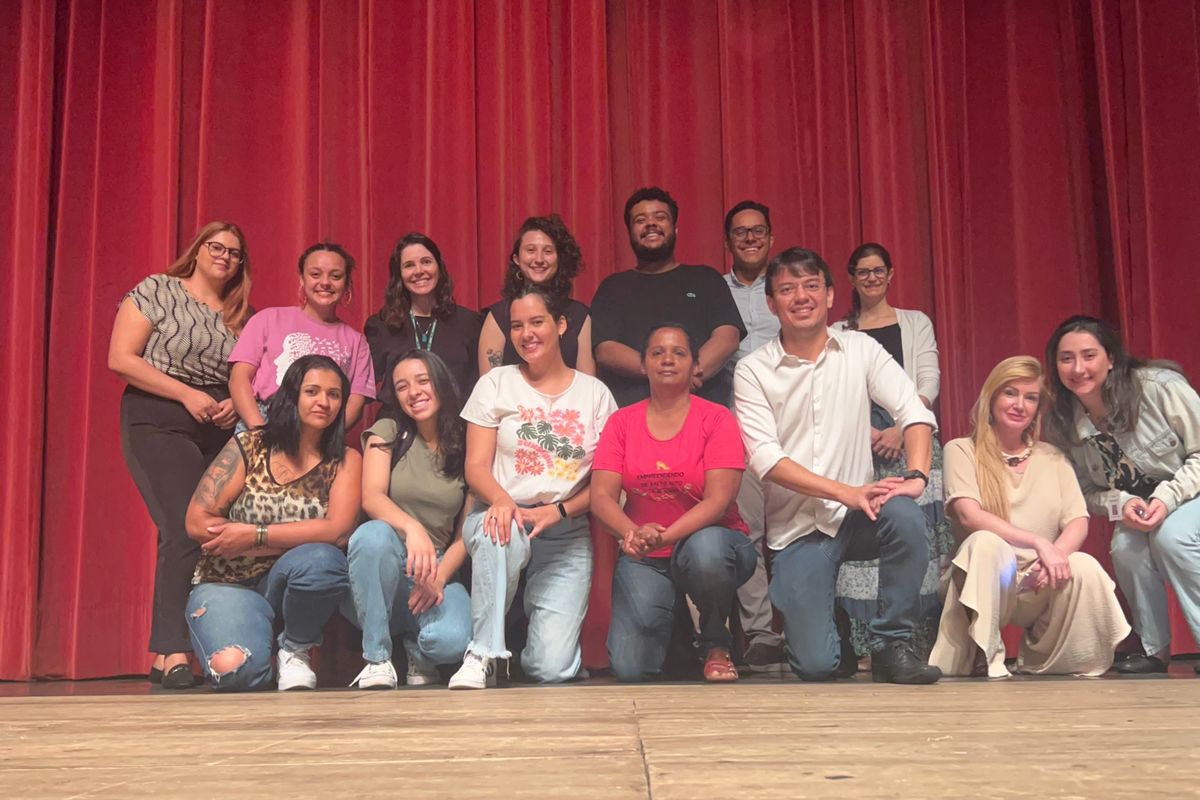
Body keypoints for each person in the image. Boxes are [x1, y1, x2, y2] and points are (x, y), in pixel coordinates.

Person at [733, 247, 941, 684]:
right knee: (817, 666)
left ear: (829, 295)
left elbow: (914, 411)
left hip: (860, 516)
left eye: (811, 286)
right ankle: (837, 630)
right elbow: (766, 459)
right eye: (787, 289)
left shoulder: (861, 349)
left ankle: (891, 643)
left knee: (906, 515)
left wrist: (918, 476)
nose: (801, 297)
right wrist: (845, 491)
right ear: (771, 303)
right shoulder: (753, 370)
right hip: (797, 531)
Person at [450, 286, 617, 689]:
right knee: (499, 532)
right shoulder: (496, 383)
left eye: (537, 322)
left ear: (561, 326)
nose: (526, 334)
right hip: (501, 515)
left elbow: (606, 482)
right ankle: (482, 653)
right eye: (517, 326)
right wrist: (502, 500)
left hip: (565, 529)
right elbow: (475, 467)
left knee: (551, 669)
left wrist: (558, 511)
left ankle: (532, 652)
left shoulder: (594, 394)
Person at [109, 221, 251, 689]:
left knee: (215, 534)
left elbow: (246, 375)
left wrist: (236, 403)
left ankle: (180, 651)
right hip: (158, 416)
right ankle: (173, 651)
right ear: (197, 250)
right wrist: (186, 394)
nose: (224, 257)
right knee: (185, 526)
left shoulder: (241, 314)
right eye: (216, 247)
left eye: (234, 253)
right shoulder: (158, 290)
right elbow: (121, 358)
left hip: (217, 426)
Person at [929, 356, 1129, 677]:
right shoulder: (961, 449)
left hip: (1039, 580)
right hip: (984, 578)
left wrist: (1054, 557)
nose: (1020, 405)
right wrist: (1039, 543)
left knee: (1084, 566)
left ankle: (1061, 662)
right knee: (986, 543)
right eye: (1010, 393)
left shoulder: (1053, 457)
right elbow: (969, 515)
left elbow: (1078, 520)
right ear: (992, 397)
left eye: (1031, 397)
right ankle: (984, 653)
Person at [183, 355, 362, 691]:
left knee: (324, 561)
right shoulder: (250, 445)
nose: (323, 402)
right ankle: (264, 656)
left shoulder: (345, 460)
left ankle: (295, 648)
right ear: (291, 396)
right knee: (236, 672)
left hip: (291, 582)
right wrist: (283, 540)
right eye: (312, 391)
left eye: (334, 394)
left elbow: (337, 531)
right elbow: (196, 522)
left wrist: (255, 536)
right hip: (228, 583)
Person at [592, 324, 755, 682]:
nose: (667, 359)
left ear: (695, 366)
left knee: (705, 551)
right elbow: (601, 497)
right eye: (657, 353)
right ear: (643, 364)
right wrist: (632, 533)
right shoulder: (621, 422)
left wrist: (664, 537)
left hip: (714, 545)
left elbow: (718, 500)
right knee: (631, 668)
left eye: (679, 353)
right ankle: (680, 637)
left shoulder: (717, 418)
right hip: (646, 553)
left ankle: (716, 644)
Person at [1045, 315, 1200, 674]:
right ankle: (1154, 650)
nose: (1078, 368)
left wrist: (1167, 499)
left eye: (1089, 356)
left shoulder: (1159, 387)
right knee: (1127, 549)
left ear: (1111, 358)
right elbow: (1083, 492)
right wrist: (1122, 504)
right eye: (1066, 358)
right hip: (1142, 508)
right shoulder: (1062, 421)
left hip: (1190, 490)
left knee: (1172, 538)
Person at [831, 243, 951, 666]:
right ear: (851, 278)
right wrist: (867, 433)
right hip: (859, 446)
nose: (871, 278)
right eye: (863, 272)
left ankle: (917, 644)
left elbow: (928, 380)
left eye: (878, 270)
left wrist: (902, 429)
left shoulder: (915, 322)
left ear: (891, 274)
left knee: (919, 543)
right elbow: (834, 395)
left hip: (912, 442)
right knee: (866, 553)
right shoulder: (837, 332)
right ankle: (868, 647)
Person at [345, 350, 471, 689]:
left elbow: (465, 533)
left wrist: (439, 577)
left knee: (451, 641)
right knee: (372, 535)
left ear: (441, 382)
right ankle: (376, 659)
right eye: (402, 386)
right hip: (384, 561)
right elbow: (372, 497)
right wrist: (412, 527)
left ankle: (418, 646)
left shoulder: (465, 442)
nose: (414, 392)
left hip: (436, 565)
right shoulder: (387, 430)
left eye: (422, 381)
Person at [590, 187, 745, 407]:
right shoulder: (612, 287)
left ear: (675, 229)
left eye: (660, 217)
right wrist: (665, 373)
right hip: (633, 415)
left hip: (703, 412)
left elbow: (728, 337)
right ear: (630, 233)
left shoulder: (706, 278)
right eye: (640, 220)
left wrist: (686, 373)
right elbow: (605, 350)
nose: (650, 223)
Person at [721, 200, 786, 673]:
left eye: (757, 230)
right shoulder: (715, 291)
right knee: (748, 530)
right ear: (729, 241)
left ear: (770, 237)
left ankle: (807, 629)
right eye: (740, 232)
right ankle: (762, 633)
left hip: (794, 423)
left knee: (799, 528)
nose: (749, 238)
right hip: (738, 424)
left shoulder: (788, 287)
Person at [229, 242, 374, 430]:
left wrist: (325, 438)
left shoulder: (357, 342)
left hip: (321, 429)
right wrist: (258, 430)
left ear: (346, 284)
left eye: (336, 276)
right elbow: (239, 378)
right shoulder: (267, 319)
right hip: (263, 420)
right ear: (302, 279)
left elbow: (356, 402)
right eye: (315, 274)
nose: (325, 283)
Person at [365, 233, 483, 401]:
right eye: (409, 265)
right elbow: (363, 387)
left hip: (455, 416)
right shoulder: (381, 325)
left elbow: (480, 388)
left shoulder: (470, 323)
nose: (419, 271)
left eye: (426, 262)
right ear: (399, 274)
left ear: (439, 267)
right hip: (397, 416)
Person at [477, 214, 594, 375]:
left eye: (548, 251)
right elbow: (489, 385)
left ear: (559, 258)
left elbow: (587, 384)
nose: (539, 259)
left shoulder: (580, 316)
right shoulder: (498, 316)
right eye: (530, 250)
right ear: (517, 259)